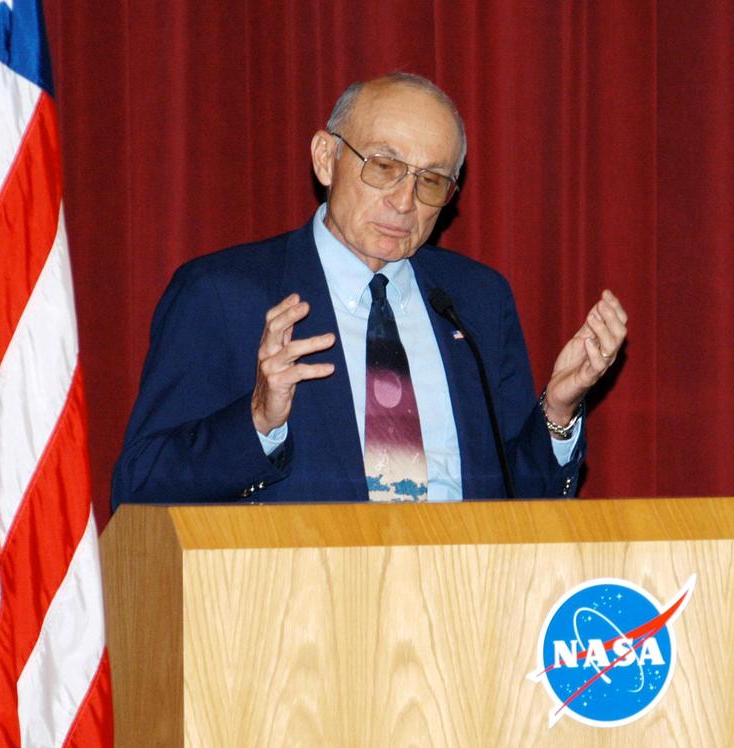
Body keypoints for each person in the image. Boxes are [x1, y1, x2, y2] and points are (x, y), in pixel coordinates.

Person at [111, 73, 626, 508]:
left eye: (430, 181)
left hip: (465, 600)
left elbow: (519, 502)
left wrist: (558, 411)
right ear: (325, 158)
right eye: (384, 167)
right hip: (300, 608)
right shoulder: (224, 294)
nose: (405, 202)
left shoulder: (475, 301)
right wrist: (258, 421)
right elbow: (139, 487)